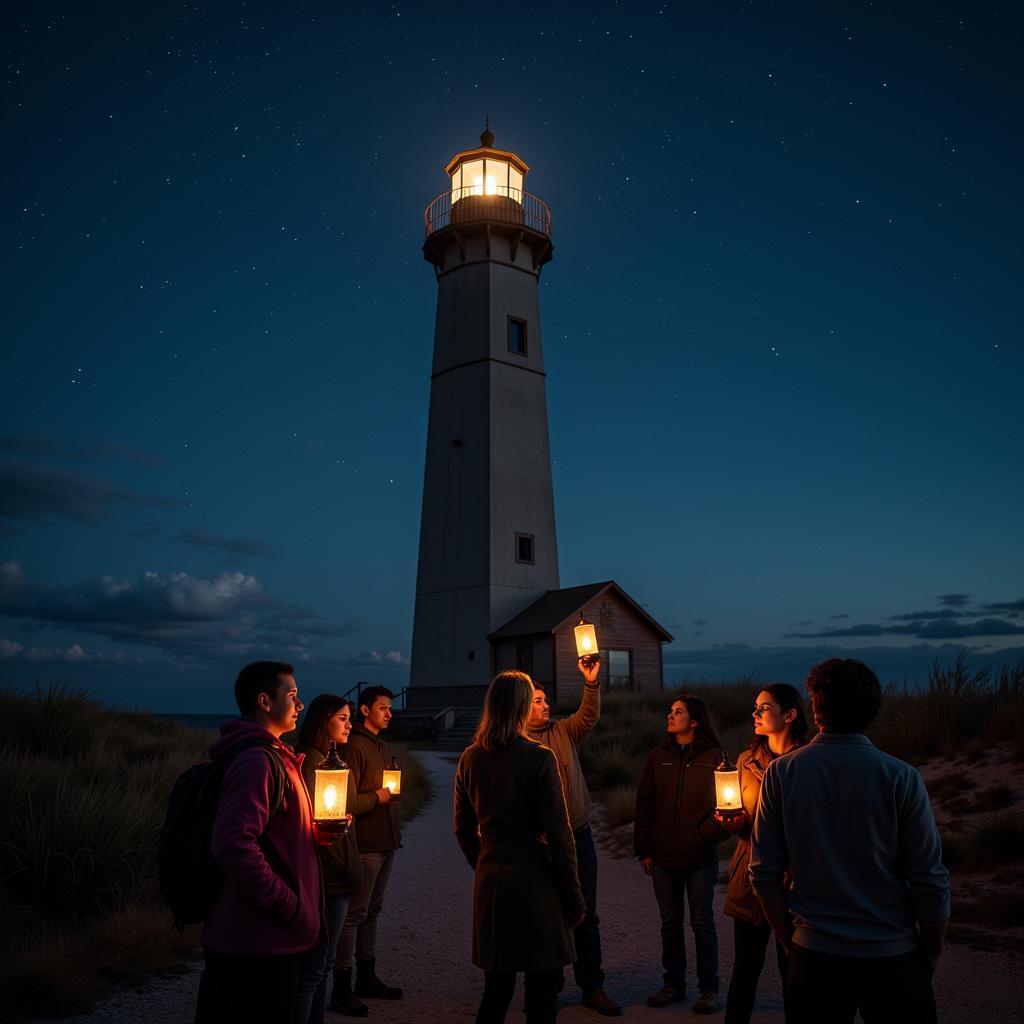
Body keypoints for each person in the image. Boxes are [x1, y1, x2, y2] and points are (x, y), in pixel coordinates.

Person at [750, 659, 951, 1024]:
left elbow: (763, 874)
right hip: (892, 954)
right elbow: (929, 879)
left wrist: (789, 941)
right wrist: (931, 952)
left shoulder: (783, 773)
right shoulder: (900, 776)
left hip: (814, 953)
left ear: (814, 706)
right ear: (873, 710)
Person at [194, 661, 324, 1024]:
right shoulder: (257, 762)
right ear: (265, 701)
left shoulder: (277, 757)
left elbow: (272, 835)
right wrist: (290, 907)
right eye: (293, 696)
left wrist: (317, 833)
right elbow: (233, 845)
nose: (300, 705)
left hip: (270, 939)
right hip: (258, 943)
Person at [454, 670, 587, 1024]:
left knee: (496, 991)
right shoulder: (539, 758)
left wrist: (484, 863)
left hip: (493, 883)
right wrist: (574, 898)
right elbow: (560, 836)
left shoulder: (470, 758)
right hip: (535, 882)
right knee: (542, 994)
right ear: (521, 706)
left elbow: (463, 830)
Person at [526, 657, 621, 1017]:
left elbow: (588, 717)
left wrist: (591, 683)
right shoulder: (517, 744)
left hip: (578, 835)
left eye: (546, 699)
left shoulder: (563, 731)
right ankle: (548, 983)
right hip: (541, 844)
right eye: (537, 700)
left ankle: (592, 986)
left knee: (586, 913)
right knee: (546, 916)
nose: (546, 704)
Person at [717, 684, 809, 1024]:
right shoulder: (745, 761)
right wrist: (734, 823)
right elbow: (742, 823)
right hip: (751, 879)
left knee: (794, 973)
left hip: (795, 883)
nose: (754, 714)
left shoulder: (808, 762)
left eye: (764, 708)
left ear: (789, 714)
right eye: (755, 707)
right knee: (745, 971)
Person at [634, 694, 728, 1015]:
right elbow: (644, 805)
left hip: (700, 858)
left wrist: (700, 837)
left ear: (695, 720)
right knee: (669, 922)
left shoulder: (716, 758)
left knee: (702, 923)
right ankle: (673, 984)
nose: (670, 716)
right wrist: (643, 848)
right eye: (670, 711)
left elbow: (726, 810)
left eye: (678, 712)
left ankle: (709, 990)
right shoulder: (657, 757)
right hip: (662, 857)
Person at [293, 696, 365, 1021]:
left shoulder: (327, 757)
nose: (350, 724)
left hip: (337, 876)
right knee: (316, 966)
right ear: (325, 721)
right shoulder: (315, 763)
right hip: (328, 879)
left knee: (323, 962)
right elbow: (319, 824)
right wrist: (343, 866)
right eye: (343, 718)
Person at [337, 685, 403, 1001]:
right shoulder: (355, 747)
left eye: (390, 708)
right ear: (365, 710)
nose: (390, 713)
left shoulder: (382, 745)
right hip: (366, 844)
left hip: (386, 841)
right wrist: (378, 797)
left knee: (372, 911)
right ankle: (342, 983)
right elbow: (348, 800)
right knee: (355, 914)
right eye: (383, 708)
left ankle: (366, 975)